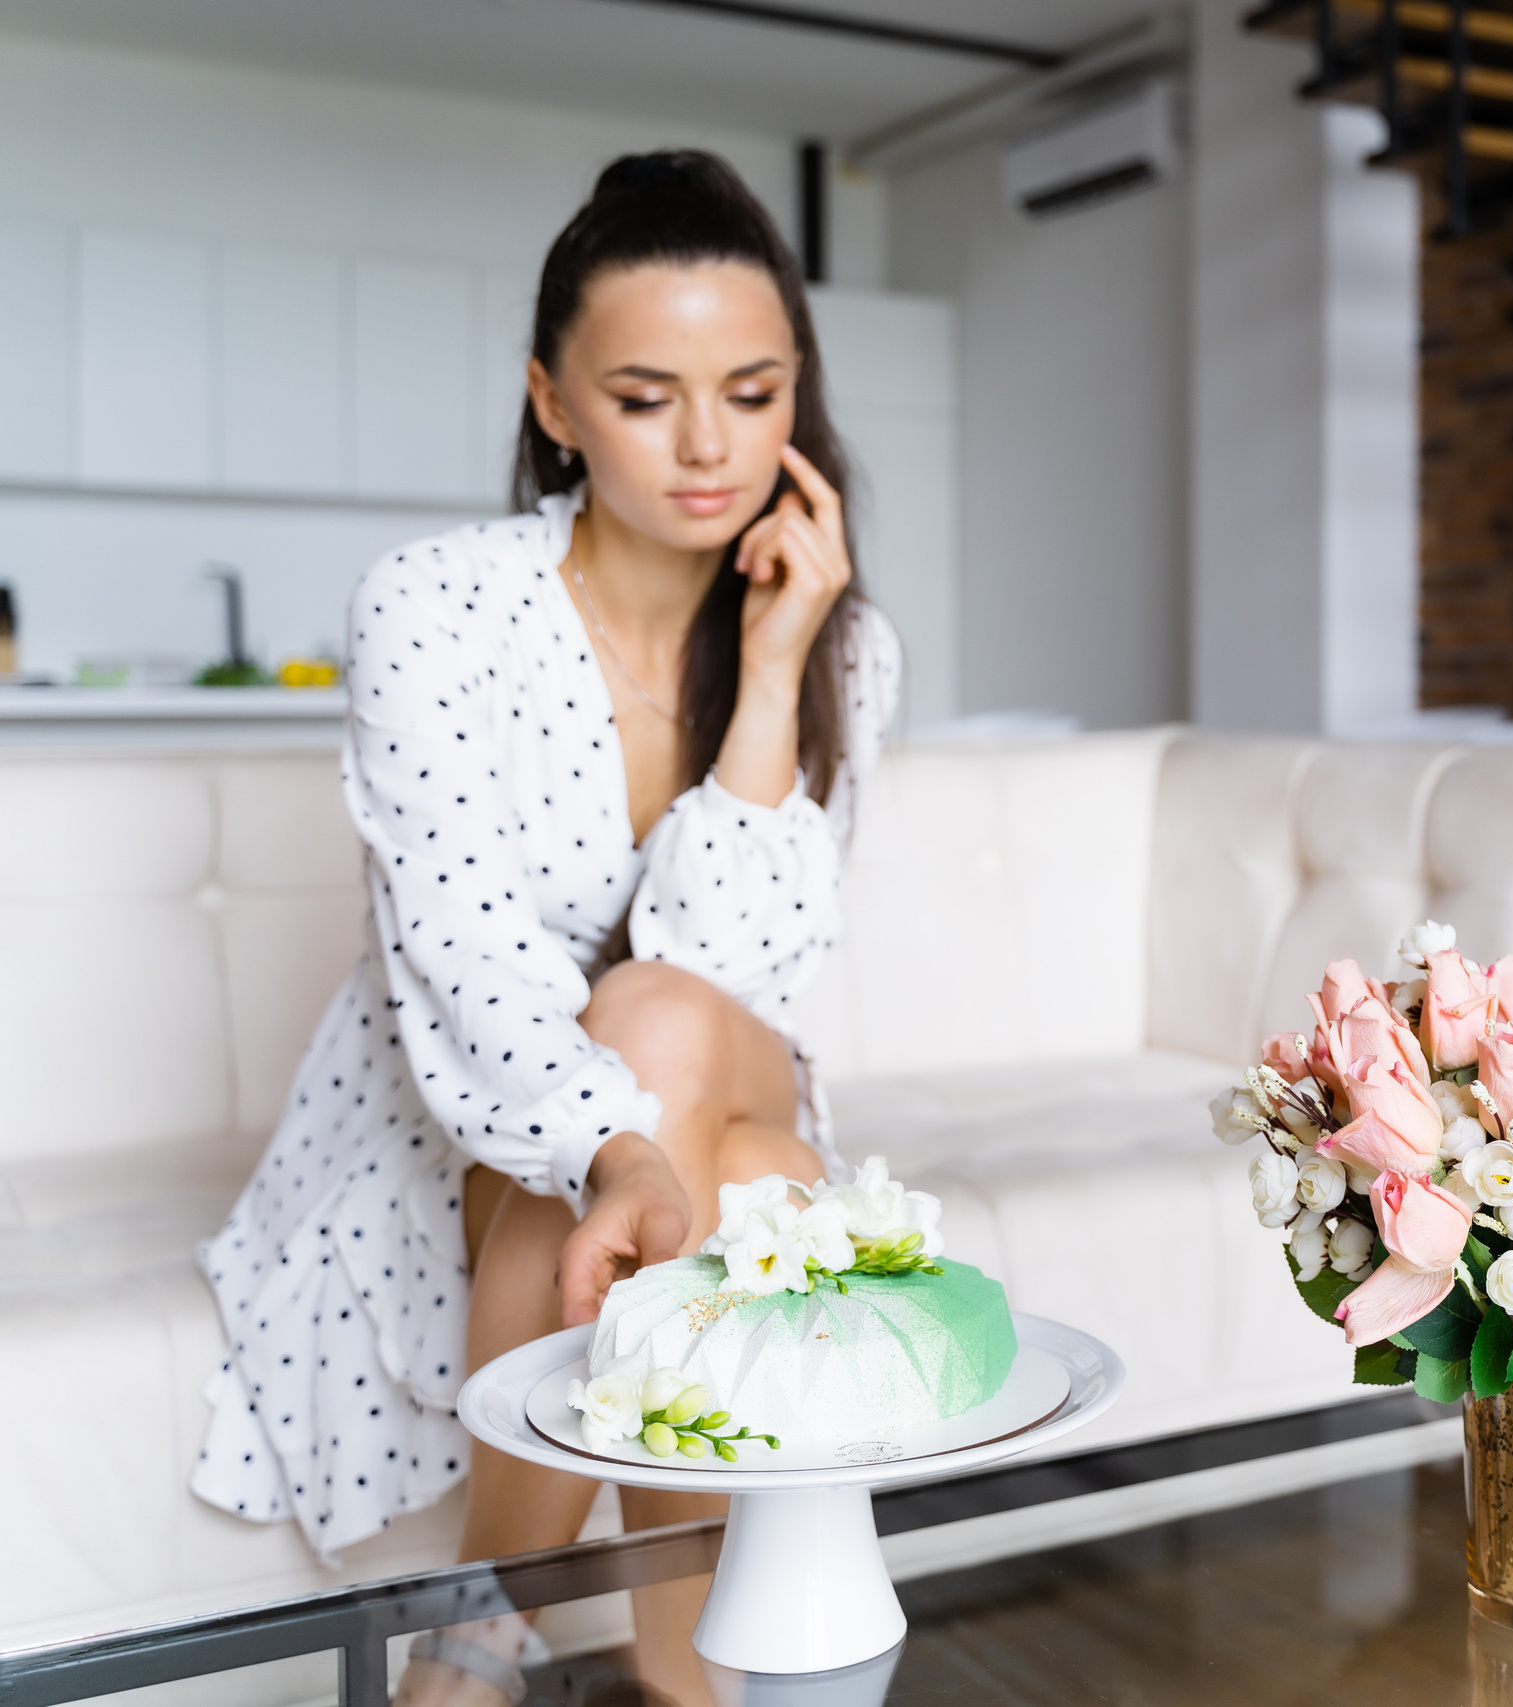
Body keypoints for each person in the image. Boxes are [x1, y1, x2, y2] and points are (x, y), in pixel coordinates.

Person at [192, 150, 900, 1707]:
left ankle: (479, 1623)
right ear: (554, 403)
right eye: (647, 397)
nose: (710, 447)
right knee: (755, 1187)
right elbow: (464, 947)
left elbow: (737, 975)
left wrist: (777, 666)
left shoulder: (839, 639)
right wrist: (618, 1149)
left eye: (755, 390)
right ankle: (692, 1668)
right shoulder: (436, 606)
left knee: (661, 1024)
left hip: (714, 1054)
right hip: (477, 1102)